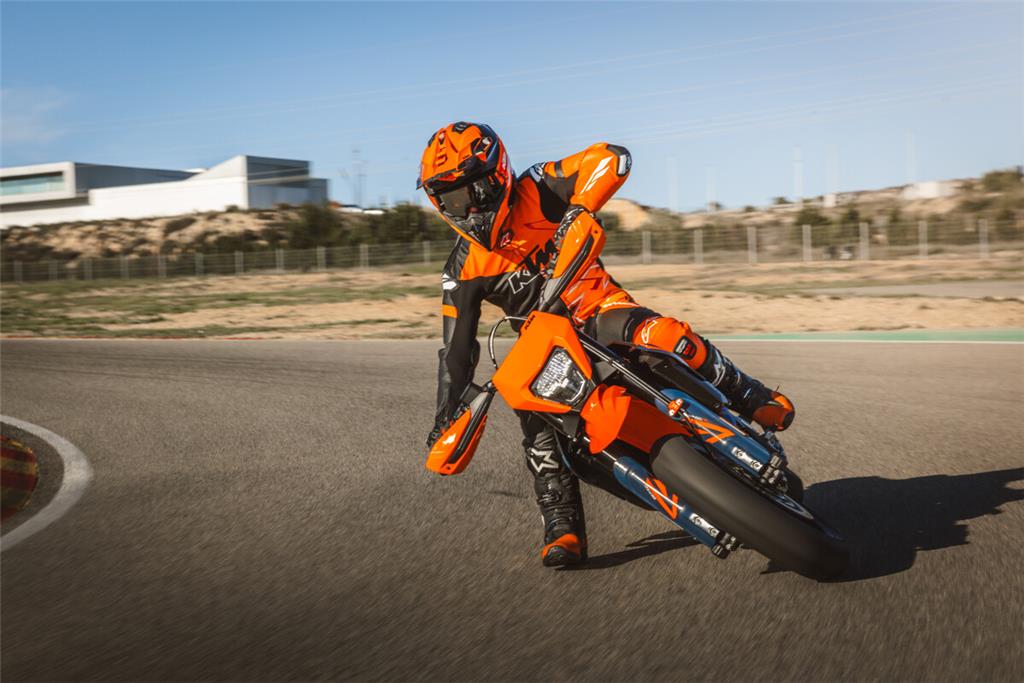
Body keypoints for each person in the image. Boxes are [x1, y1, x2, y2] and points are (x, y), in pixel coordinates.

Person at [419, 122, 794, 567]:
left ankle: (747, 393)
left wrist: (580, 208)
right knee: (532, 416)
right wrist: (445, 420)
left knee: (667, 335)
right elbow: (455, 353)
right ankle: (561, 523)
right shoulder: (461, 268)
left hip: (600, 309)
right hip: (545, 341)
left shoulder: (538, 187)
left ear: (498, 175)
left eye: (472, 192)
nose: (466, 208)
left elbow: (612, 157)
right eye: (451, 199)